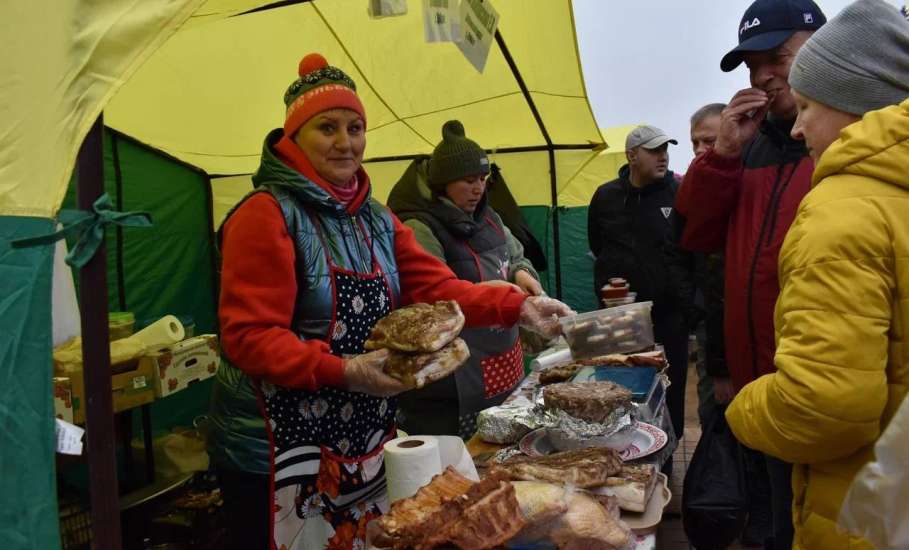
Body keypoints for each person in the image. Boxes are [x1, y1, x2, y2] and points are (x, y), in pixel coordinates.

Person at [207, 53, 572, 550]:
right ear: (294, 137)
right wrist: (346, 370)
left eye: (355, 128)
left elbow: (438, 288)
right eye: (327, 128)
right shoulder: (266, 214)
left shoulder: (376, 219)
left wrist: (517, 307)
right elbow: (248, 338)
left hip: (361, 436)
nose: (345, 142)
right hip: (276, 450)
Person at [726, 2, 909, 548]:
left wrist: (743, 409)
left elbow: (822, 409)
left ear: (855, 103)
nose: (799, 125)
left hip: (860, 508)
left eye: (808, 106)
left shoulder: (842, 210)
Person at [675, 1, 827, 547]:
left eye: (777, 58)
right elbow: (697, 237)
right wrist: (721, 154)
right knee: (769, 515)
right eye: (752, 65)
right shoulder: (750, 146)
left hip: (820, 385)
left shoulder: (845, 136)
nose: (762, 76)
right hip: (755, 381)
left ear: (821, 46)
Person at [386, 120, 542, 438]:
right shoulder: (419, 228)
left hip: (503, 364)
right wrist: (497, 294)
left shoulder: (490, 218)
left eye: (482, 179)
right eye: (468, 181)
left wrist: (521, 272)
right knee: (466, 458)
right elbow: (432, 299)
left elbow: (516, 254)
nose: (478, 188)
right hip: (452, 384)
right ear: (443, 183)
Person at [587, 125, 689, 448]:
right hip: (620, 317)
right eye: (654, 150)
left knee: (669, 392)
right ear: (632, 155)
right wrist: (609, 286)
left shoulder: (677, 192)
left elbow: (689, 253)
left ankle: (667, 458)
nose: (663, 156)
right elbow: (597, 246)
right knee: (621, 393)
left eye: (665, 149)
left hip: (668, 317)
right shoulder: (606, 196)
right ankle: (623, 455)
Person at [665, 102, 732, 427]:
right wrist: (695, 306)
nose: (700, 149)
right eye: (695, 142)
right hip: (710, 320)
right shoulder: (691, 188)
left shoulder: (750, 178)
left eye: (710, 140)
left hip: (752, 322)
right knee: (712, 411)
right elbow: (677, 252)